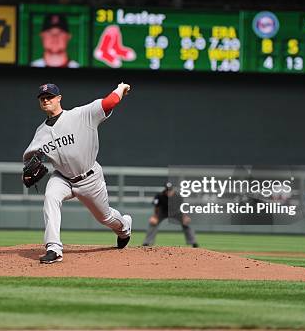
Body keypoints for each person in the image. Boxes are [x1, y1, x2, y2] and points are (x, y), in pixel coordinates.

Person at [23, 82, 132, 263]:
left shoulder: (81, 115)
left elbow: (109, 103)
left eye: (49, 96)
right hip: (62, 178)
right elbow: (29, 160)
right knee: (51, 196)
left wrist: (121, 88)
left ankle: (125, 228)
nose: (46, 100)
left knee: (105, 217)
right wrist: (26, 173)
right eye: (42, 98)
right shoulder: (40, 133)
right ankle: (54, 249)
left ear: (59, 98)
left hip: (89, 178)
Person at [142, 183, 198, 248]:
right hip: (162, 212)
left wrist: (184, 217)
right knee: (153, 223)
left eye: (170, 190)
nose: (168, 192)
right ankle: (147, 242)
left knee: (186, 224)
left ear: (172, 190)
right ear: (165, 190)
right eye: (167, 190)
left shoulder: (177, 196)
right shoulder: (159, 196)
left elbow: (182, 207)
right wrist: (154, 217)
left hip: (175, 212)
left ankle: (193, 243)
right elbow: (156, 207)